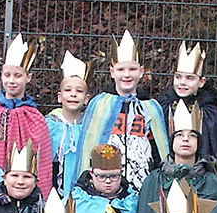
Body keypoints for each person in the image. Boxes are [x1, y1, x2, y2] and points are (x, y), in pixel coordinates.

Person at [65, 30, 169, 195]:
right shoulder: (99, 105)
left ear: (141, 71)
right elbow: (89, 148)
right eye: (121, 69)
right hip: (105, 187)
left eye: (132, 69)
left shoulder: (151, 108)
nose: (126, 75)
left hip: (142, 185)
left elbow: (159, 150)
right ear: (112, 72)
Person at [132, 102, 217, 213]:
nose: (185, 139)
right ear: (172, 141)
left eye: (192, 135)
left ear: (199, 142)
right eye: (179, 135)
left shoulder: (213, 183)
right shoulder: (154, 181)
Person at [0, 34, 54, 190]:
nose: (11, 81)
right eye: (7, 75)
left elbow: (43, 159)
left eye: (18, 76)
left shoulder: (35, 118)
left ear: (28, 78)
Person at [157, 42, 217, 160]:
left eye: (189, 78)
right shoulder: (163, 106)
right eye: (178, 77)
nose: (182, 82)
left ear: (201, 82)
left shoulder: (209, 112)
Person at [47, 51, 91, 192]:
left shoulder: (90, 126)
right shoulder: (49, 124)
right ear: (60, 97)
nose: (73, 94)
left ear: (86, 98)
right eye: (68, 90)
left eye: (79, 91)